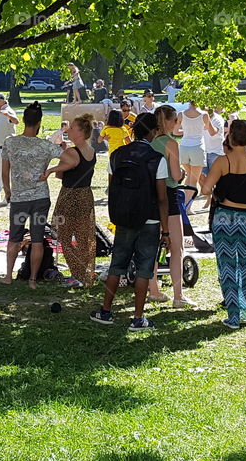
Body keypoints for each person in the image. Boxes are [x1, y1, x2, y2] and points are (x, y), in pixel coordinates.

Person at [88, 113, 168, 331]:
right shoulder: (157, 158)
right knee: (144, 269)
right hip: (149, 219)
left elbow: (112, 188)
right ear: (153, 132)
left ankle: (105, 311)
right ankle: (138, 318)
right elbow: (162, 198)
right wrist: (166, 231)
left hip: (123, 218)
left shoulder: (117, 155)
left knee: (117, 265)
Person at [202, 120, 246, 329]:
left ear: (231, 138)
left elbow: (206, 190)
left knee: (227, 266)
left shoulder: (222, 162)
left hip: (224, 217)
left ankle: (233, 315)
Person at [0, 102, 63, 288]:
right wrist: (52, 170)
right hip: (40, 197)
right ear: (39, 123)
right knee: (37, 240)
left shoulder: (10, 142)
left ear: (24, 121)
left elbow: (5, 172)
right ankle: (33, 279)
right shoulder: (45, 145)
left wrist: (7, 190)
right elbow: (71, 158)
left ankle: (8, 276)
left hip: (19, 198)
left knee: (14, 237)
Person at [150, 106, 197, 307]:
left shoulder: (150, 142)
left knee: (151, 246)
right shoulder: (171, 143)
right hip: (168, 196)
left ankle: (154, 290)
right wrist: (183, 175)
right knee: (176, 248)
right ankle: (178, 295)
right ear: (171, 122)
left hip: (150, 196)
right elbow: (175, 176)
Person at [42, 113, 96, 288]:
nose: (68, 130)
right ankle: (85, 274)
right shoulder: (91, 151)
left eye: (72, 128)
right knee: (83, 238)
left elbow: (62, 173)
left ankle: (78, 274)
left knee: (65, 237)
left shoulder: (72, 151)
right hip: (86, 195)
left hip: (70, 195)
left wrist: (52, 169)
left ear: (80, 132)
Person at [178, 99, 217, 212]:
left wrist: (186, 131)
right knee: (193, 180)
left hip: (184, 147)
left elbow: (175, 131)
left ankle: (183, 204)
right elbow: (209, 130)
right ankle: (188, 207)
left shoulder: (181, 114)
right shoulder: (204, 114)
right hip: (197, 147)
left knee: (189, 176)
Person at [0, 93, 18, 205]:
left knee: (8, 174)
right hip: (1, 148)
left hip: (8, 149)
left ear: (4, 101)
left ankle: (12, 199)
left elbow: (16, 120)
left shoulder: (8, 110)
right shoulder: (0, 112)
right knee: (0, 174)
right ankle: (7, 197)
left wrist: (9, 116)